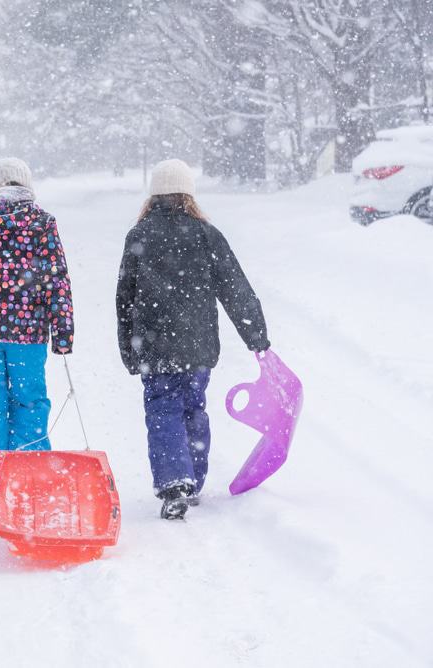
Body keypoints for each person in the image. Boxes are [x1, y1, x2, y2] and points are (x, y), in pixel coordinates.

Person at [116, 159, 269, 520]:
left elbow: (125, 297)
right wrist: (256, 334)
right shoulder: (205, 234)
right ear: (189, 195)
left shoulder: (140, 235)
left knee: (162, 408)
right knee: (193, 407)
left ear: (154, 195)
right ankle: (193, 481)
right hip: (197, 345)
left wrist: (129, 348)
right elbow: (235, 289)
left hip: (153, 345)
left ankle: (174, 483)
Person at [0, 158, 74, 514]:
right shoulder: (41, 222)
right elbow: (57, 278)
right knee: (30, 406)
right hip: (28, 334)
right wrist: (63, 330)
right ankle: (31, 487)